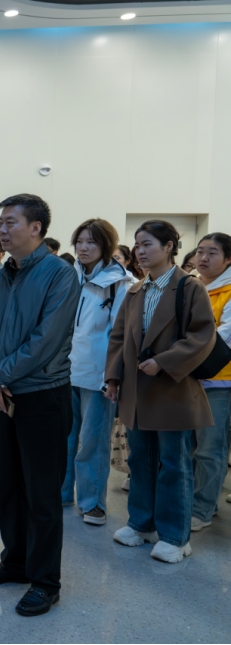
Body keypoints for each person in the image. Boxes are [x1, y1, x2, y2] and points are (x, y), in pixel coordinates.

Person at [0, 194, 80, 618]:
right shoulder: (6, 273)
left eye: (10, 222)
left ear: (36, 227)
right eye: (0, 222)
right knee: (8, 487)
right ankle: (15, 561)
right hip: (2, 395)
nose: (2, 229)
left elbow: (46, 339)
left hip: (42, 395)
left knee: (42, 494)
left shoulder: (59, 274)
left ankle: (46, 582)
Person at [105, 220, 215, 564]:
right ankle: (141, 523)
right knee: (140, 460)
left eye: (147, 244)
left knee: (174, 463)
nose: (139, 251)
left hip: (172, 388)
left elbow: (203, 335)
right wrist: (113, 377)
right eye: (137, 245)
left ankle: (174, 537)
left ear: (169, 247)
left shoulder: (189, 287)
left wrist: (164, 362)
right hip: (137, 390)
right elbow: (118, 338)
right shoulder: (135, 291)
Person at [61, 219, 130, 526]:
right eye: (80, 241)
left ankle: (93, 504)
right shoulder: (70, 276)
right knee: (63, 438)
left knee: (92, 442)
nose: (84, 247)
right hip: (65, 371)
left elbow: (121, 335)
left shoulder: (119, 282)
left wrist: (112, 376)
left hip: (98, 375)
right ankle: (62, 492)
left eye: (92, 242)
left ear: (106, 246)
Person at [190, 233, 231, 531]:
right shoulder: (190, 284)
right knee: (189, 446)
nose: (203, 258)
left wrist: (182, 351)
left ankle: (203, 508)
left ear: (228, 259)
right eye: (200, 251)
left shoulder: (228, 291)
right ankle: (189, 500)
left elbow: (224, 335)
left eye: (212, 253)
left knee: (209, 448)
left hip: (219, 381)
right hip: (187, 378)